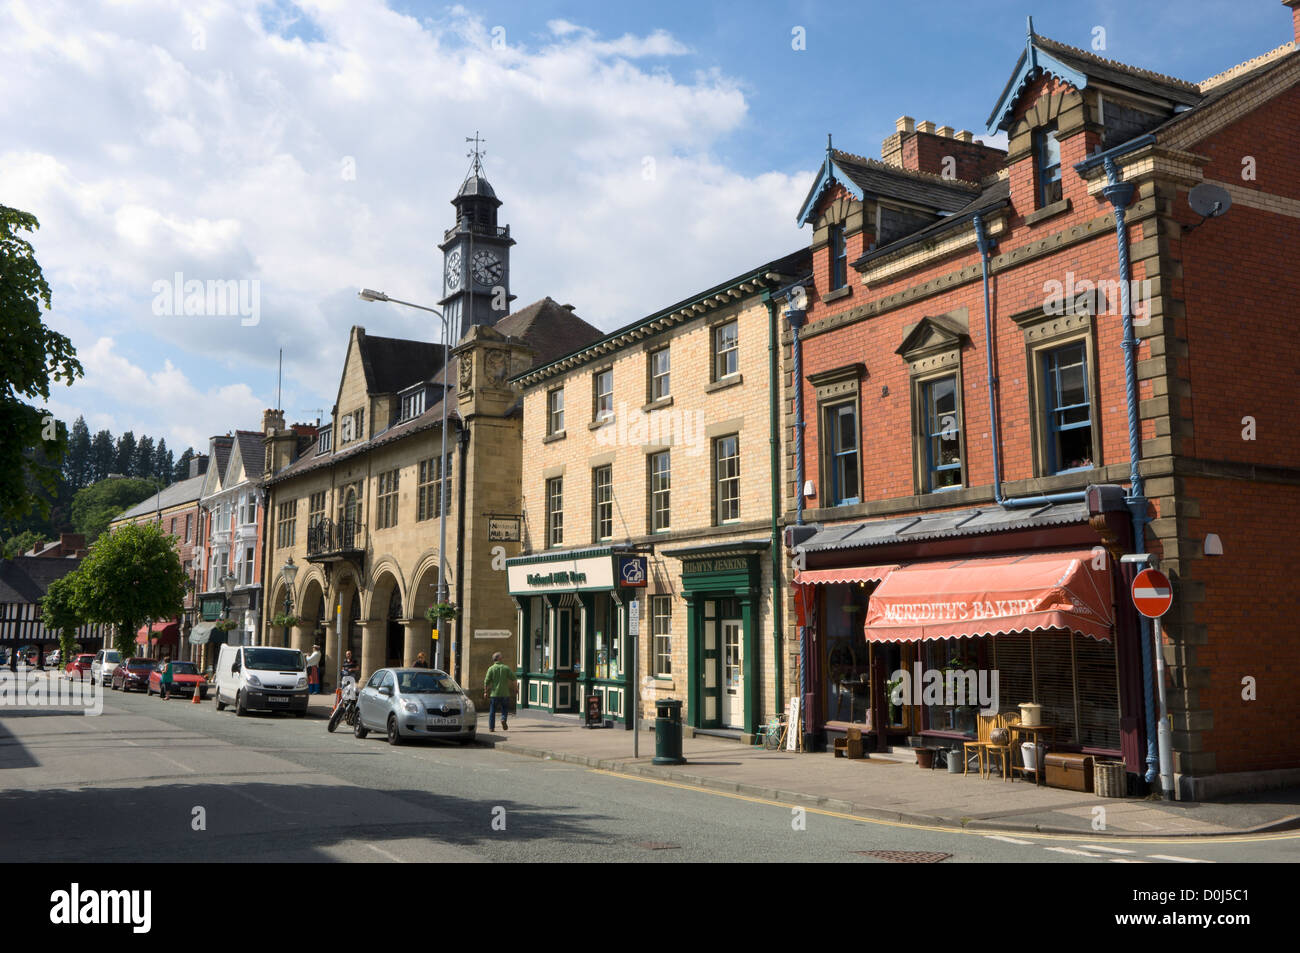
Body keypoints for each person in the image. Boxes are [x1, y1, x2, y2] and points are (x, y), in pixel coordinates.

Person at [482, 652, 516, 732]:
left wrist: (485, 692)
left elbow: (486, 681)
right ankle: (503, 719)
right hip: (505, 693)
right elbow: (514, 679)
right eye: (502, 657)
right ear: (499, 659)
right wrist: (516, 688)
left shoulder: (491, 669)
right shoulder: (506, 668)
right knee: (505, 708)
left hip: (494, 694)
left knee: (492, 711)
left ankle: (491, 727)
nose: (502, 658)